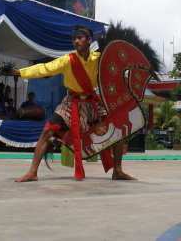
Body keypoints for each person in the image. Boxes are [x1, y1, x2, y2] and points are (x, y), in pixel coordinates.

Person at [13, 25, 135, 182]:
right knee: (47, 132)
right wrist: (21, 72)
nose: (76, 41)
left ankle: (117, 171)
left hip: (92, 103)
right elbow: (45, 68)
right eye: (74, 39)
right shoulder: (67, 60)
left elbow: (115, 70)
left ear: (89, 40)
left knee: (117, 131)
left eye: (80, 38)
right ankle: (32, 173)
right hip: (71, 103)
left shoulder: (99, 59)